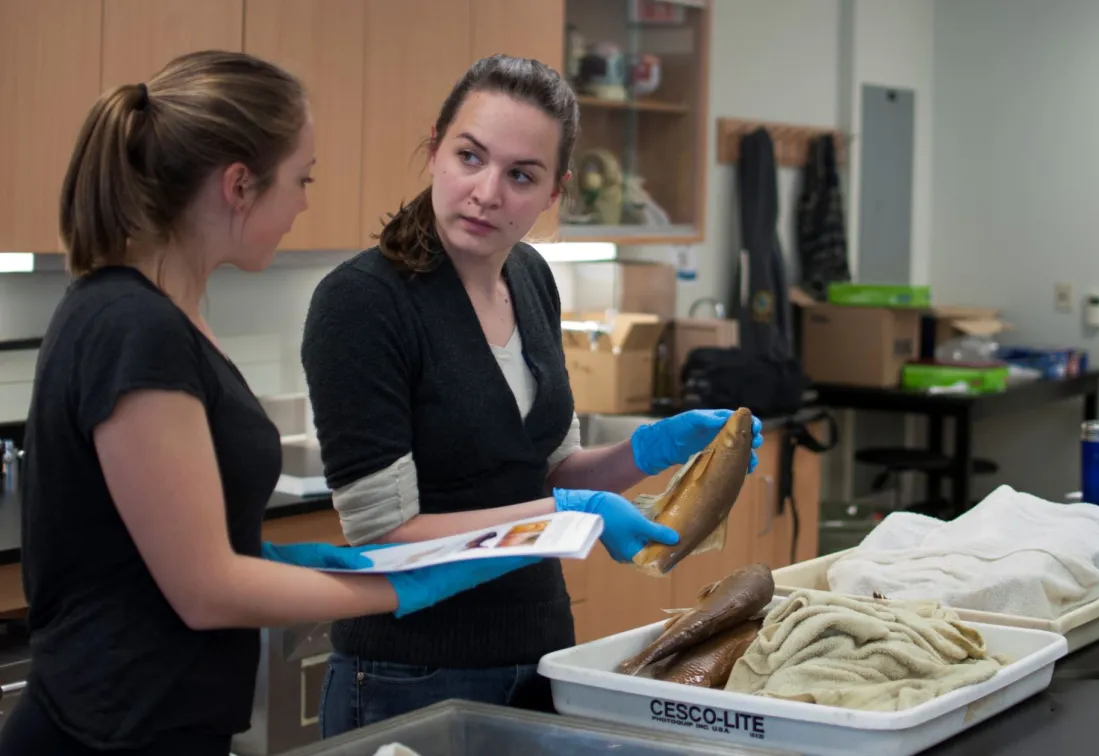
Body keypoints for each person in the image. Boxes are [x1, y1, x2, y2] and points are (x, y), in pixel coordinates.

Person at [0, 50, 536, 756]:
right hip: (109, 731)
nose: (305, 202)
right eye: (301, 178)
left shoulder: (162, 312)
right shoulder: (134, 327)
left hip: (160, 719)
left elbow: (175, 544)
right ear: (238, 186)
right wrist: (405, 587)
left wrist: (289, 560)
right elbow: (206, 590)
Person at [300, 53, 764, 736]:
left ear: (554, 192)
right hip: (410, 675)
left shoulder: (531, 279)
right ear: (435, 150)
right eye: (470, 157)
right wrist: (571, 514)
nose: (488, 192)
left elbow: (547, 471)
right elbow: (385, 532)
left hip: (541, 656)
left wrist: (652, 447)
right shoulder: (363, 303)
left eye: (521, 175)